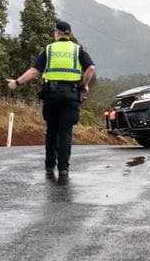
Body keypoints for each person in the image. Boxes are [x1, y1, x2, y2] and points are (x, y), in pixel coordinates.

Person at [7, 20, 96, 183]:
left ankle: (49, 166)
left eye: (54, 32)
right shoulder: (78, 50)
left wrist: (16, 83)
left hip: (52, 95)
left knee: (52, 130)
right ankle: (63, 169)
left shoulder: (49, 49)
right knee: (65, 132)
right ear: (68, 34)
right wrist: (84, 86)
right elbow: (90, 68)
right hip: (71, 94)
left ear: (57, 33)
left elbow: (34, 71)